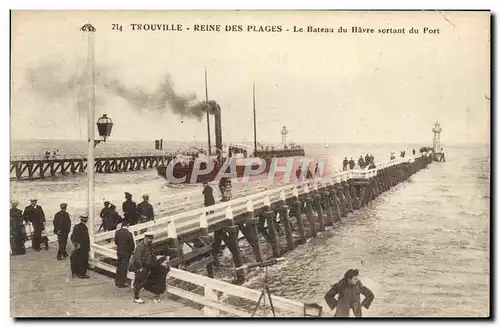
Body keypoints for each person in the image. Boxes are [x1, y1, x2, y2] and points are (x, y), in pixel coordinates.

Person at [130, 232, 155, 304]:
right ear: (145, 238)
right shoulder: (140, 246)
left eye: (151, 239)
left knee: (142, 280)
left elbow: (150, 253)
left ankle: (136, 290)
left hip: (146, 265)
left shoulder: (149, 245)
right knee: (140, 281)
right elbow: (137, 258)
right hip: (140, 266)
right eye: (149, 239)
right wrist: (140, 268)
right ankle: (136, 297)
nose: (150, 241)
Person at [114, 220, 135, 288]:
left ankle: (117, 281)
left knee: (119, 266)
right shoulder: (129, 233)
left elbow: (116, 242)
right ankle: (121, 283)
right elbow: (132, 245)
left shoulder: (117, 232)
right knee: (124, 267)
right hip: (126, 253)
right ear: (128, 225)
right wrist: (131, 251)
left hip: (119, 252)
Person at [70, 214, 90, 279]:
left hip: (77, 246)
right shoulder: (84, 228)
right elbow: (85, 239)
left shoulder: (76, 226)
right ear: (86, 220)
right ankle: (81, 274)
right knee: (83, 261)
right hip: (83, 247)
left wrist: (75, 244)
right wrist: (88, 248)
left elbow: (72, 236)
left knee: (76, 259)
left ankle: (75, 272)